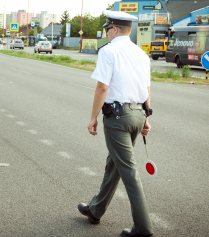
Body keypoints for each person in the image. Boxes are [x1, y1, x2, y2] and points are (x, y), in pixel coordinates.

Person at [78, 10, 154, 237]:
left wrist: (92, 117)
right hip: (137, 114)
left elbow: (103, 88)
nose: (106, 34)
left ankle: (143, 228)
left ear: (115, 29)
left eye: (107, 29)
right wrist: (146, 117)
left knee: (128, 170)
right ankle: (95, 210)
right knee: (115, 163)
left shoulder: (108, 52)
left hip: (118, 119)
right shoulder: (141, 54)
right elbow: (147, 89)